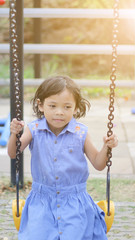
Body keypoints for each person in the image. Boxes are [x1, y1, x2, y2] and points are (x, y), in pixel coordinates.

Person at [8, 76, 118, 240]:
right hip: (41, 203)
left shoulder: (81, 132)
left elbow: (98, 163)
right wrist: (15, 134)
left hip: (75, 205)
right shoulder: (34, 129)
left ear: (75, 108)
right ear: (40, 104)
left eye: (67, 107)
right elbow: (13, 153)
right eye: (52, 106)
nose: (59, 112)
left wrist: (106, 147)